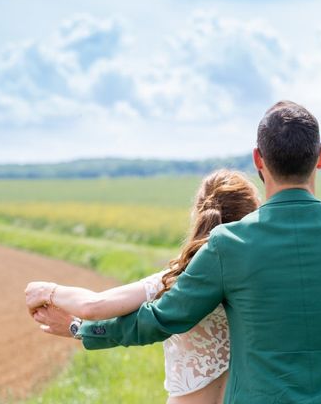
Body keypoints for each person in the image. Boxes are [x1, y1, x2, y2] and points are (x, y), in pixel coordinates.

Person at [33, 101, 321, 403]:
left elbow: (160, 319)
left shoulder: (226, 246)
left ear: (259, 161)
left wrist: (81, 329)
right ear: (320, 157)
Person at [25, 169, 260, 404]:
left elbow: (93, 306)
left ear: (197, 215)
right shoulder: (265, 282)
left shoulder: (175, 279)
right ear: (252, 216)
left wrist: (48, 292)